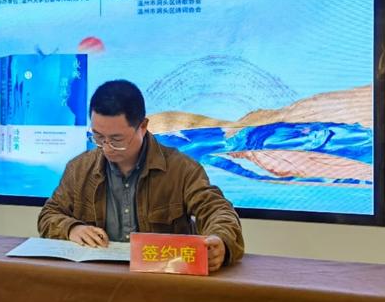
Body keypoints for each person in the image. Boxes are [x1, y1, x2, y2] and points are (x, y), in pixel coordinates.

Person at [38, 79, 243, 272]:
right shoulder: (79, 169)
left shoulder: (181, 169)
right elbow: (49, 214)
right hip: (98, 279)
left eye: (117, 139)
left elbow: (217, 209)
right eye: (98, 137)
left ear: (143, 127)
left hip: (160, 281)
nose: (106, 147)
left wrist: (221, 241)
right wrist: (71, 229)